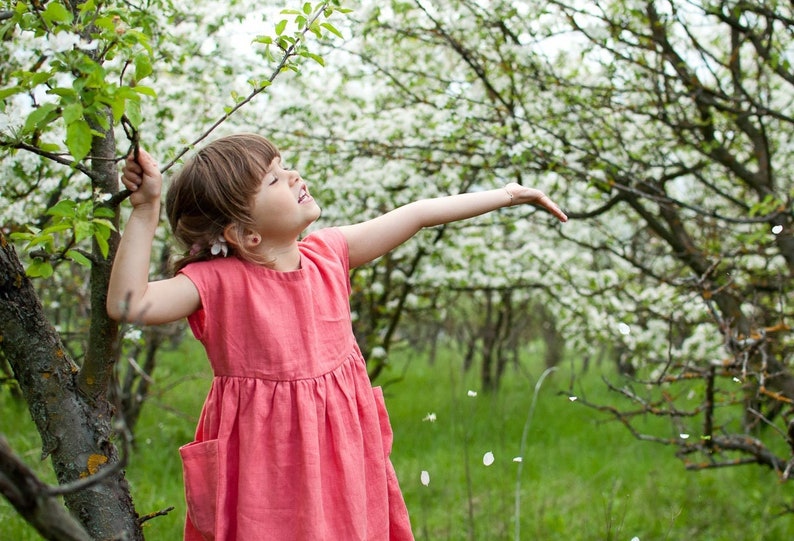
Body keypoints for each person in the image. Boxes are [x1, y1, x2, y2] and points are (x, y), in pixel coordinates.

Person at [107, 133, 568, 541]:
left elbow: (420, 214)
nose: (293, 175)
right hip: (264, 466)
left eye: (284, 165)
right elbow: (128, 303)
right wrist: (146, 209)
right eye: (274, 179)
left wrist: (508, 194)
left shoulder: (329, 254)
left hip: (342, 457)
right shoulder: (219, 282)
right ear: (244, 234)